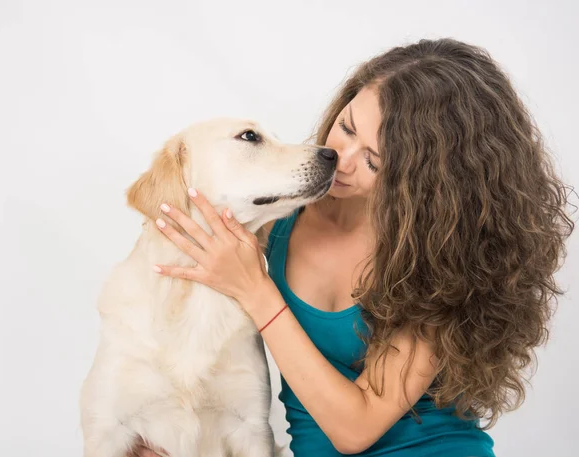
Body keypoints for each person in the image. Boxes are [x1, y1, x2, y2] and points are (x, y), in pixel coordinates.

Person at [140, 38, 574, 456]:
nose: (340, 161)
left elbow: (354, 429)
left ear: (425, 183)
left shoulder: (446, 258)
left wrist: (257, 291)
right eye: (346, 127)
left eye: (373, 161)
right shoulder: (279, 211)